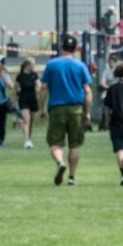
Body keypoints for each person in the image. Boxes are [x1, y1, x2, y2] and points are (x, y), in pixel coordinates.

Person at [40, 35, 93, 185]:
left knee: (55, 142)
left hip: (56, 107)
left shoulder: (52, 65)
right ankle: (72, 177)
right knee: (74, 144)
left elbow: (43, 88)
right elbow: (87, 91)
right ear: (76, 48)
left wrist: (41, 108)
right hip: (76, 108)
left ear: (62, 47)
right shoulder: (80, 66)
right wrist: (87, 112)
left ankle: (60, 162)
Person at [102, 60, 123, 185]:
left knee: (120, 149)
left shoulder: (113, 88)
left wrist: (107, 120)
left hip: (117, 122)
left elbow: (107, 106)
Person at [15, 57, 40, 148]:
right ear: (28, 65)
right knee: (26, 120)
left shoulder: (34, 75)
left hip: (32, 98)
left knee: (31, 121)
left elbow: (38, 85)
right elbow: (16, 87)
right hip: (23, 98)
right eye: (33, 64)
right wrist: (14, 99)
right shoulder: (20, 76)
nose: (34, 66)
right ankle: (26, 140)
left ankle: (29, 138)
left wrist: (38, 89)